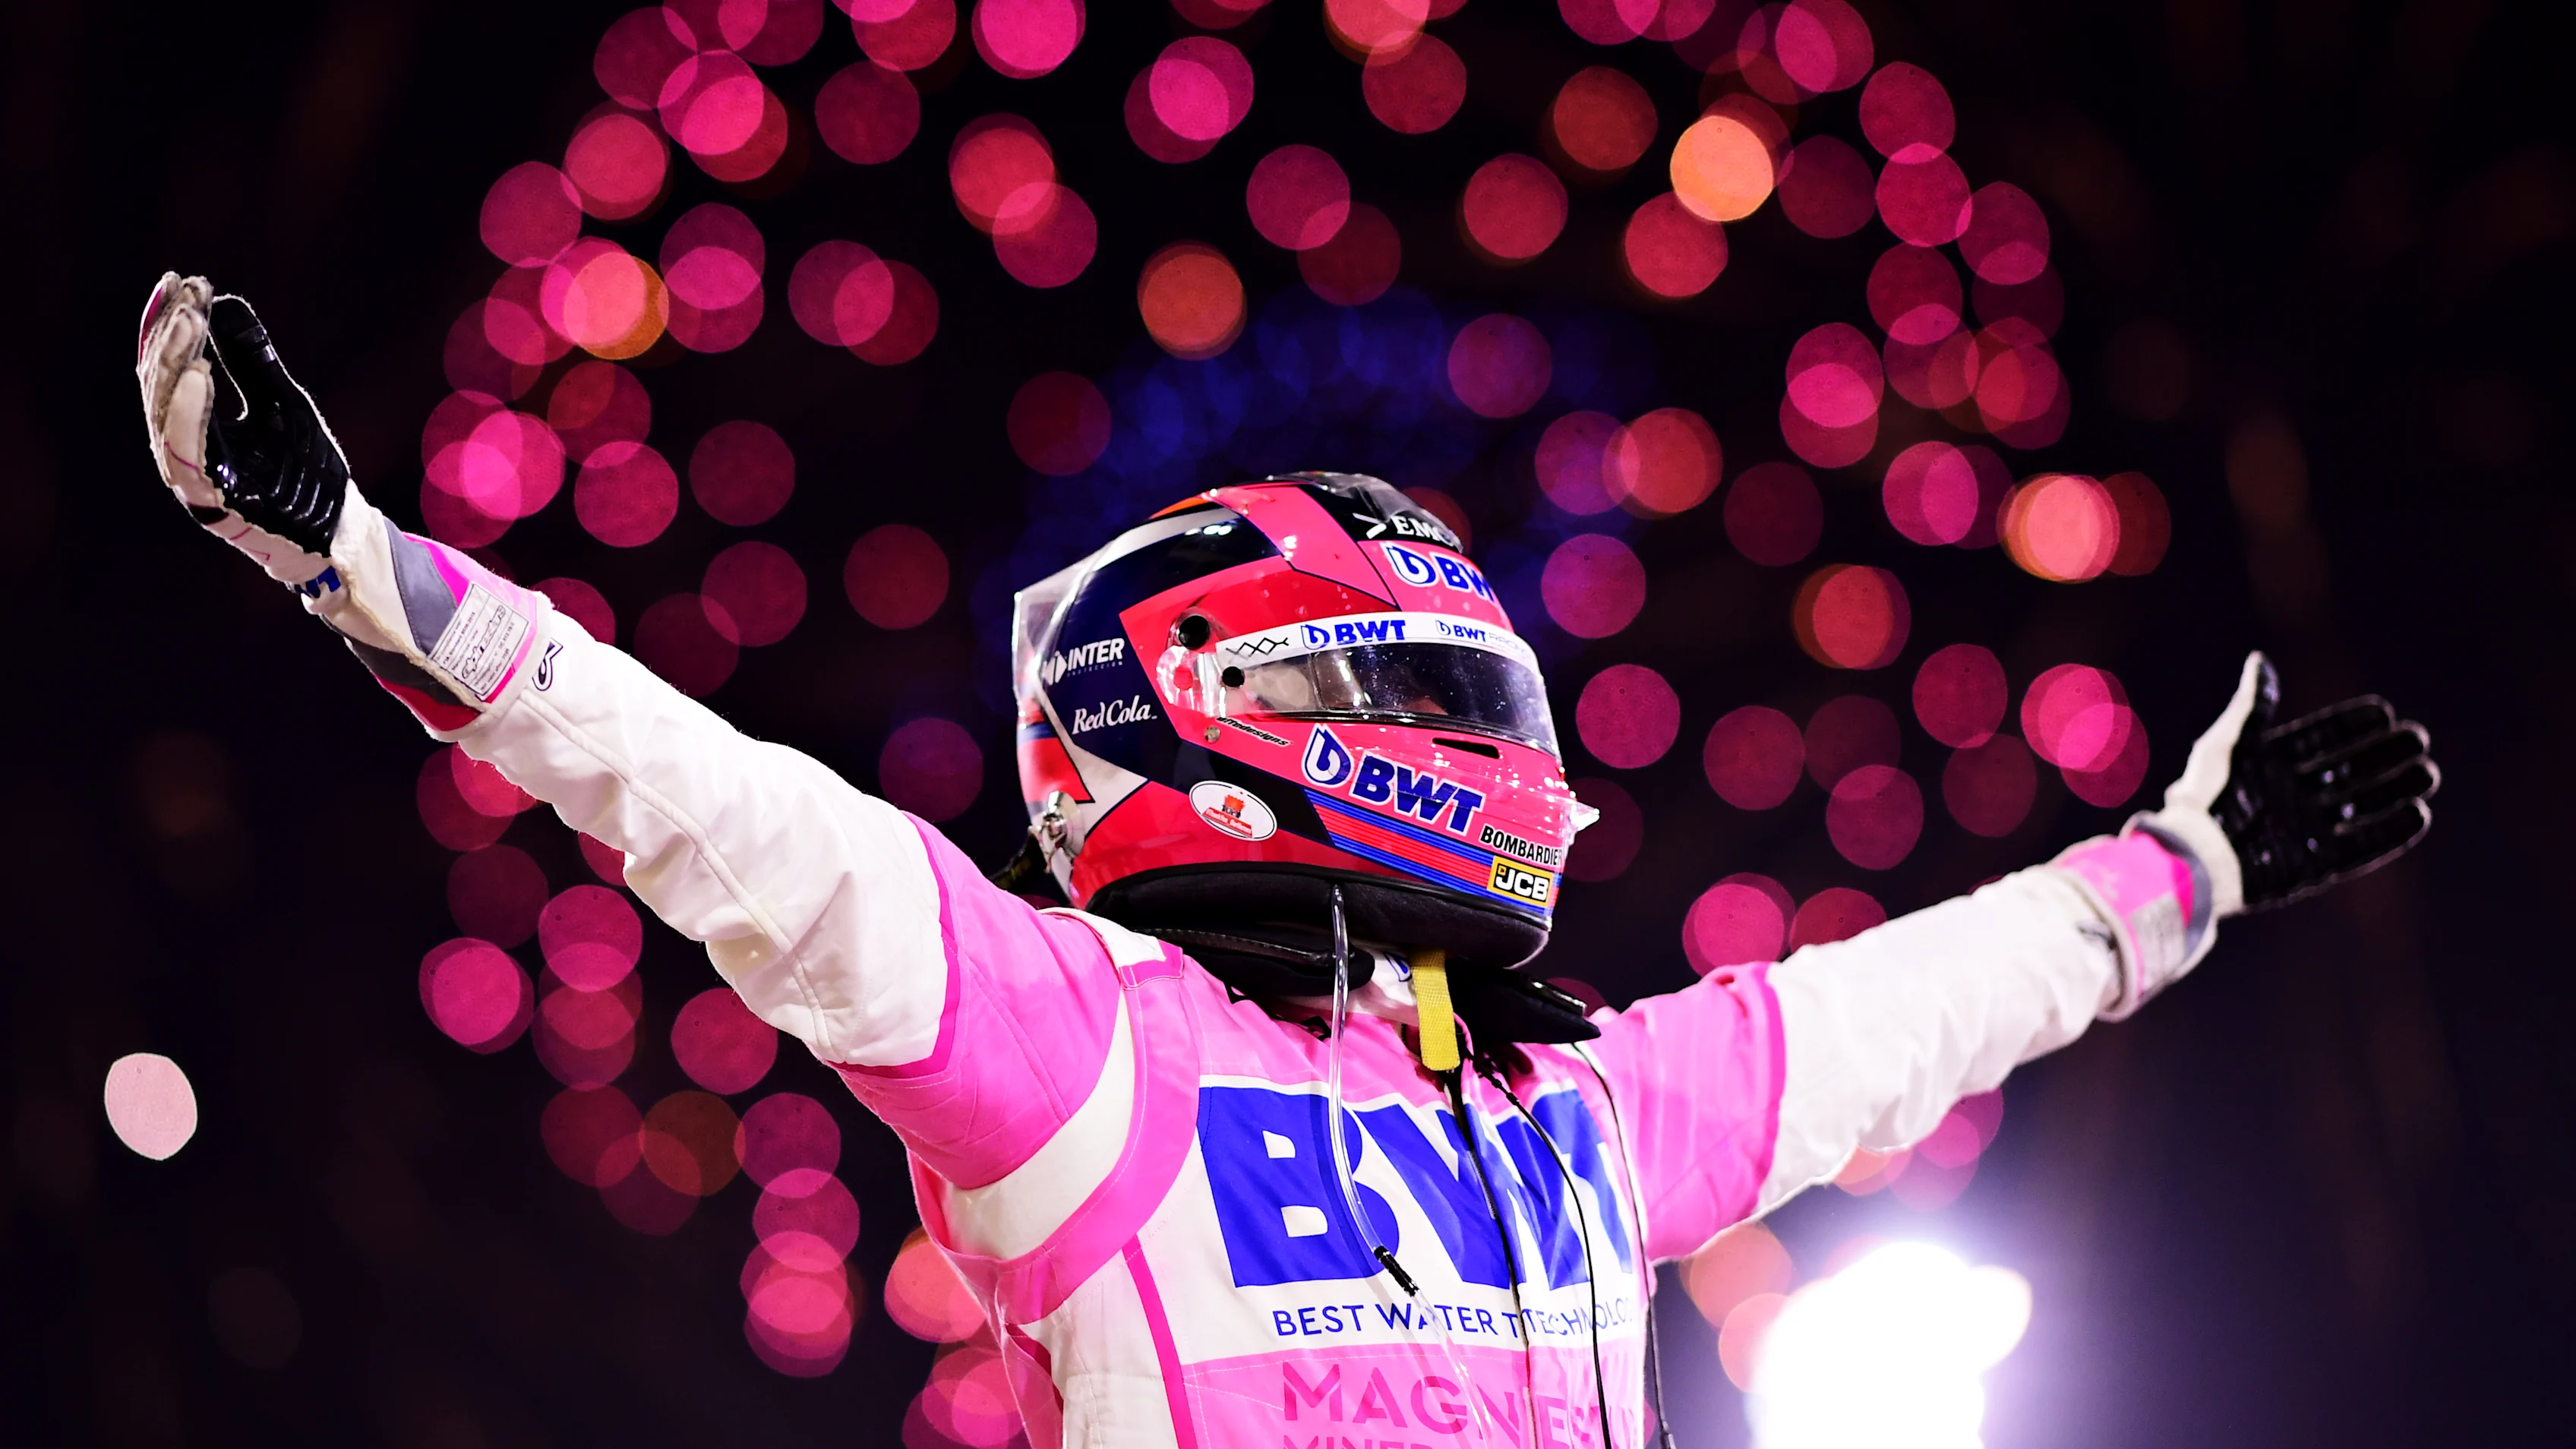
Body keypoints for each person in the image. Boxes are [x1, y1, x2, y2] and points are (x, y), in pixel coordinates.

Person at [136, 276, 2439, 1448]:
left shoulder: (1582, 1110)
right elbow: (708, 799)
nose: (1483, 754)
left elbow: (1905, 1008)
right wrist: (346, 554)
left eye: (1473, 703)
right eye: (1414, 701)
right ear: (1214, 728)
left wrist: (2187, 867)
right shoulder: (1074, 1051)